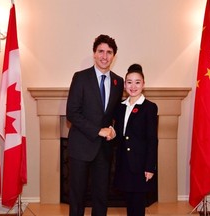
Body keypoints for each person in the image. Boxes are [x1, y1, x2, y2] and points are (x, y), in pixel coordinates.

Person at [66, 34, 124, 216]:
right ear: (94, 54)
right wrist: (98, 130)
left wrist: (113, 129)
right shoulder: (80, 78)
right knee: (77, 197)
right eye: (101, 51)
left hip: (104, 150)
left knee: (101, 197)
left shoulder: (118, 81)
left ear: (114, 56)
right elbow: (72, 113)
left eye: (109, 52)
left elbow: (115, 114)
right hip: (80, 147)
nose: (104, 56)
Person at [113, 64, 158, 216]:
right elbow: (119, 134)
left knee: (138, 205)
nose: (133, 86)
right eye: (129, 82)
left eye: (137, 82)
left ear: (143, 84)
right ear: (125, 85)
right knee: (129, 203)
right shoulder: (119, 107)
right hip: (124, 163)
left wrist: (150, 167)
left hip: (140, 166)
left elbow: (152, 139)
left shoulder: (149, 107)